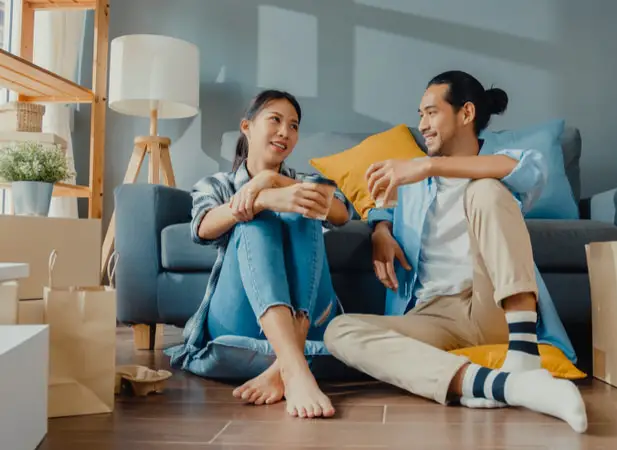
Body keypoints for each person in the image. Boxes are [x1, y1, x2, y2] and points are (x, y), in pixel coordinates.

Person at [323, 71, 588, 432]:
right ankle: (503, 385)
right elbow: (377, 204)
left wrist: (427, 164)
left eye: (431, 112)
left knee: (485, 191)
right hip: (432, 315)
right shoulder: (412, 185)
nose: (422, 125)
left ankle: (524, 357)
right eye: (420, 115)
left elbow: (527, 170)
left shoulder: (498, 166)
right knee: (340, 331)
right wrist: (381, 228)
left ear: (466, 114)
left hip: (490, 302)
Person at [165, 90, 353, 419]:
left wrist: (270, 181)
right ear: (247, 127)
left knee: (306, 206)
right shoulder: (217, 183)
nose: (285, 132)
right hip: (240, 319)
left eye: (293, 126)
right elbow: (202, 228)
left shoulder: (301, 183)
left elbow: (342, 214)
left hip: (310, 321)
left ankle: (286, 369)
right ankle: (295, 368)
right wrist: (260, 199)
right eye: (275, 120)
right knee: (253, 224)